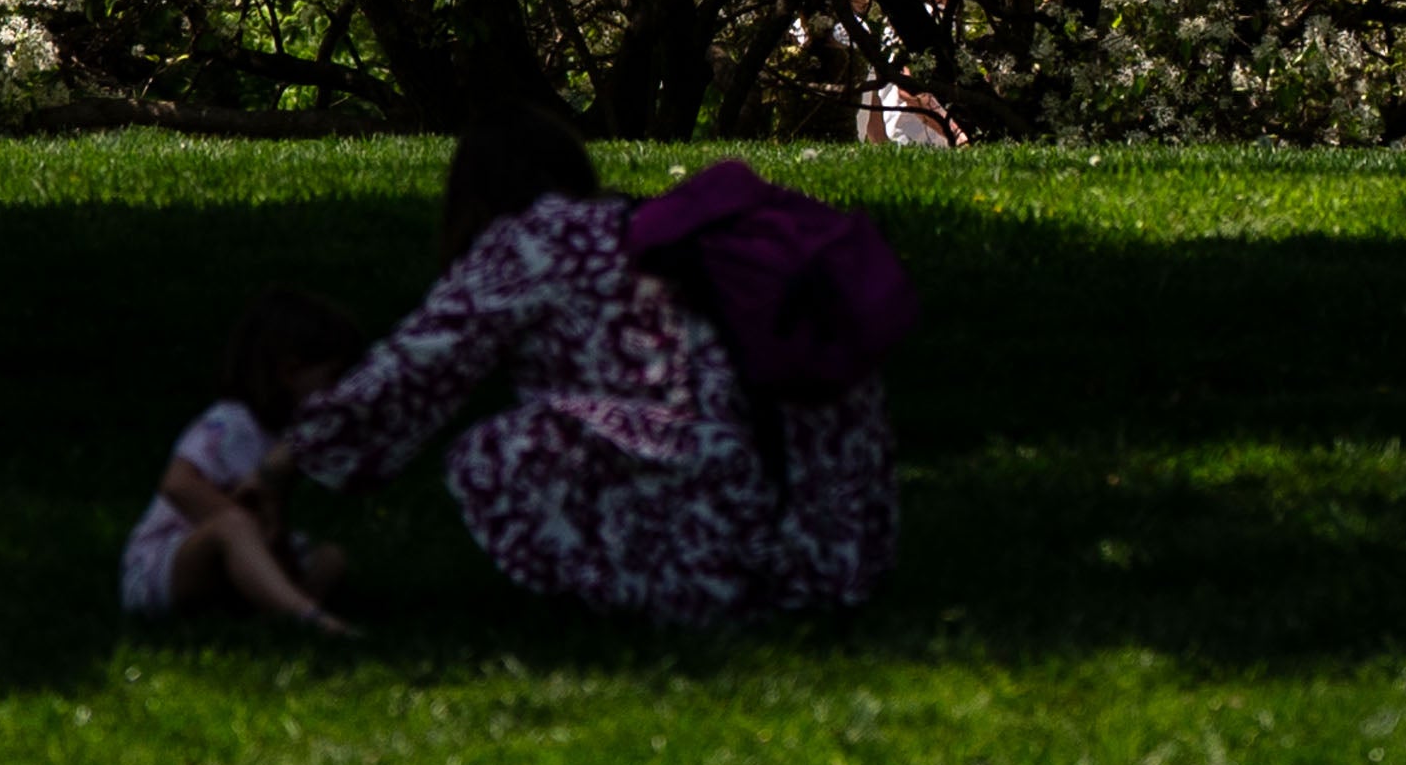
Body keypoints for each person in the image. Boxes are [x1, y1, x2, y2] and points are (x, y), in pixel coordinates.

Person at [272, 106, 898, 628]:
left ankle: (655, 596)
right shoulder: (638, 229)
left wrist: (285, 457)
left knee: (493, 452)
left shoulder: (536, 242)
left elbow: (414, 368)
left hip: (730, 519)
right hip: (834, 545)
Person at [126, 289, 367, 632]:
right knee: (232, 525)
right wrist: (243, 527)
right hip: (164, 567)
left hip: (234, 558)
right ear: (290, 372)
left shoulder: (287, 442)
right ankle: (306, 616)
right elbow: (177, 484)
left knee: (329, 559)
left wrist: (272, 536)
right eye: (333, 378)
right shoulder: (231, 423)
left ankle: (272, 605)